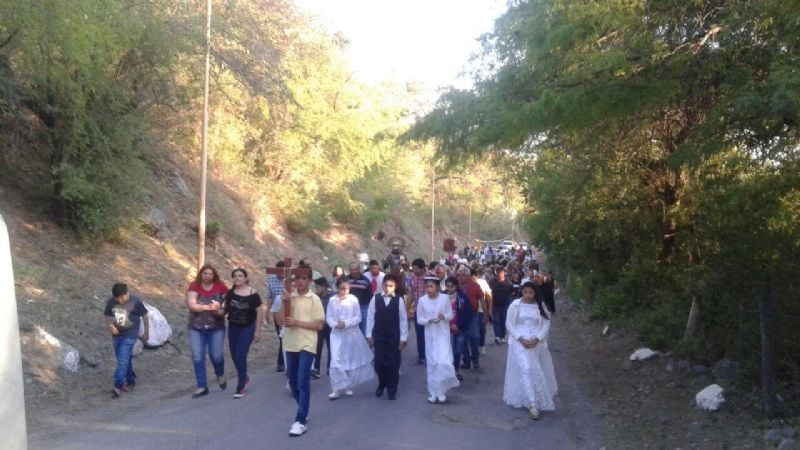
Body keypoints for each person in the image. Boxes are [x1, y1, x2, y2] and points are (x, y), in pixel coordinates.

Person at [279, 263, 325, 437]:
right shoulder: (288, 297)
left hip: (307, 343)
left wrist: (297, 323)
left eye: (303, 278)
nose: (299, 281)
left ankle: (300, 419)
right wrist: (284, 303)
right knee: (292, 381)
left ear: (310, 281)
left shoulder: (314, 299)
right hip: (291, 343)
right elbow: (280, 320)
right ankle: (303, 408)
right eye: (297, 278)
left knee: (302, 379)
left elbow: (319, 325)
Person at [503, 281, 557, 420]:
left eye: (531, 293)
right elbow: (509, 324)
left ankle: (533, 394)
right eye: (525, 292)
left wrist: (537, 338)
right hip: (519, 341)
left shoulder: (540, 306)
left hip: (535, 341)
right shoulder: (515, 305)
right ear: (522, 291)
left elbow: (546, 323)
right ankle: (532, 403)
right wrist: (520, 338)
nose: (528, 295)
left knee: (534, 369)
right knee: (525, 368)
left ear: (535, 293)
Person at [326, 279, 375, 399]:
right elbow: (329, 317)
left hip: (351, 334)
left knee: (348, 359)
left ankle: (348, 385)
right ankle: (336, 388)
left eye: (347, 289)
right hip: (336, 334)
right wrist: (335, 324)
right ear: (337, 288)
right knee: (336, 359)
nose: (344, 291)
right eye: (342, 288)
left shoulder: (353, 299)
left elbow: (358, 317)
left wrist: (346, 323)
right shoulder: (332, 300)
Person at [185, 264, 228, 398]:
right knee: (198, 356)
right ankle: (202, 386)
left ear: (214, 275)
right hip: (196, 327)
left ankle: (220, 373)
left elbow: (226, 305)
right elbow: (192, 305)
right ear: (201, 274)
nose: (207, 276)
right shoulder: (194, 286)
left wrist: (220, 310)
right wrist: (209, 307)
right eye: (205, 273)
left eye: (210, 274)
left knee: (216, 355)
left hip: (216, 327)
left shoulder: (221, 286)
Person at [417, 277, 460, 403]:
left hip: (443, 335)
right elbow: (419, 319)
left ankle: (441, 390)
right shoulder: (422, 300)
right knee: (432, 364)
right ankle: (433, 393)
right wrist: (428, 320)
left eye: (431, 287)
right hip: (430, 336)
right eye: (427, 287)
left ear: (437, 287)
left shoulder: (444, 298)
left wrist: (444, 317)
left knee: (443, 362)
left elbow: (450, 315)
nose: (428, 289)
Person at [366, 274, 408, 400]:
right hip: (379, 335)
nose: (387, 288)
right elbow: (370, 317)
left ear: (395, 287)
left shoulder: (399, 300)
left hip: (394, 336)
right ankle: (382, 382)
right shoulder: (376, 298)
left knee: (393, 364)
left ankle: (392, 389)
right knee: (378, 362)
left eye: (390, 286)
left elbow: (403, 320)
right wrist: (369, 335)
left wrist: (403, 338)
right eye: (385, 285)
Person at [104, 283, 149, 398]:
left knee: (123, 360)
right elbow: (107, 315)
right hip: (117, 335)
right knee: (124, 359)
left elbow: (144, 316)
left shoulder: (135, 302)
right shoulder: (111, 302)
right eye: (117, 298)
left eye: (122, 297)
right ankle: (131, 380)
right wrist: (110, 326)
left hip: (130, 335)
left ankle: (117, 386)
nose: (120, 300)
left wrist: (146, 333)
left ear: (127, 293)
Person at [224, 268, 262, 398]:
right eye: (235, 276)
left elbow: (259, 313)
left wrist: (257, 330)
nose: (237, 278)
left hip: (247, 327)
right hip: (233, 327)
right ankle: (244, 376)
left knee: (240, 354)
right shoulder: (230, 293)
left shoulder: (253, 294)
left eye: (240, 276)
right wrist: (215, 310)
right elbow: (225, 310)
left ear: (245, 278)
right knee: (234, 355)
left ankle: (240, 387)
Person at [456, 267, 486, 370]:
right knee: (462, 339)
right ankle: (466, 361)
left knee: (474, 337)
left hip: (473, 316)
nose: (460, 277)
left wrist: (486, 314)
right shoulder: (456, 286)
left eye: (462, 275)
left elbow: (482, 299)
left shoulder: (475, 286)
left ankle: (475, 359)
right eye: (458, 275)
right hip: (460, 316)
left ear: (468, 276)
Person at [445, 276, 472, 383]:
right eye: (447, 286)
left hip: (459, 329)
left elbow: (468, 313)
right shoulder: (442, 296)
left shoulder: (462, 297)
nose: (449, 289)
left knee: (457, 351)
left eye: (451, 286)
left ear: (456, 287)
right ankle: (448, 371)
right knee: (448, 351)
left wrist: (459, 325)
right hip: (446, 329)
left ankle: (456, 370)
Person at [406, 258, 430, 365]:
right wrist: (407, 308)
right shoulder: (412, 278)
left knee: (430, 333)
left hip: (430, 310)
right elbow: (410, 294)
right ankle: (421, 356)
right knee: (420, 333)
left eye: (416, 269)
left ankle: (431, 354)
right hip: (418, 310)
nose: (414, 271)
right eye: (413, 268)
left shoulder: (431, 277)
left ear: (422, 268)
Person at [312, 276, 335, 379]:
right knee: (318, 347)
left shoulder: (332, 296)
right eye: (316, 287)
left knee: (331, 347)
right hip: (319, 325)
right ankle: (316, 369)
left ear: (324, 287)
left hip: (330, 325)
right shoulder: (315, 297)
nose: (317, 289)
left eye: (318, 287)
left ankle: (330, 367)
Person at [267, 260, 287, 372]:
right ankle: (282, 361)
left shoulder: (291, 279)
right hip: (276, 310)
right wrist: (267, 312)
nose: (281, 274)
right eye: (279, 271)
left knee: (285, 336)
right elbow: (269, 296)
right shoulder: (272, 279)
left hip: (289, 310)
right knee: (281, 336)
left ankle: (282, 362)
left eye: (283, 271)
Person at [345, 262, 373, 335]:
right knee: (351, 331)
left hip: (363, 308)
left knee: (364, 329)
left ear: (359, 269)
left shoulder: (365, 280)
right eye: (352, 269)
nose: (354, 271)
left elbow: (370, 295)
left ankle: (365, 345)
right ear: (349, 270)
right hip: (349, 308)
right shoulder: (346, 280)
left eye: (356, 269)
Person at [490, 267, 514, 344]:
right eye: (498, 273)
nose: (500, 274)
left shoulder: (508, 283)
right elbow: (489, 292)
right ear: (496, 273)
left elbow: (512, 292)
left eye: (501, 272)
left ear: (504, 273)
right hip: (495, 304)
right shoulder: (493, 282)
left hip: (505, 305)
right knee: (496, 320)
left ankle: (502, 336)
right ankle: (497, 336)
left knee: (503, 320)